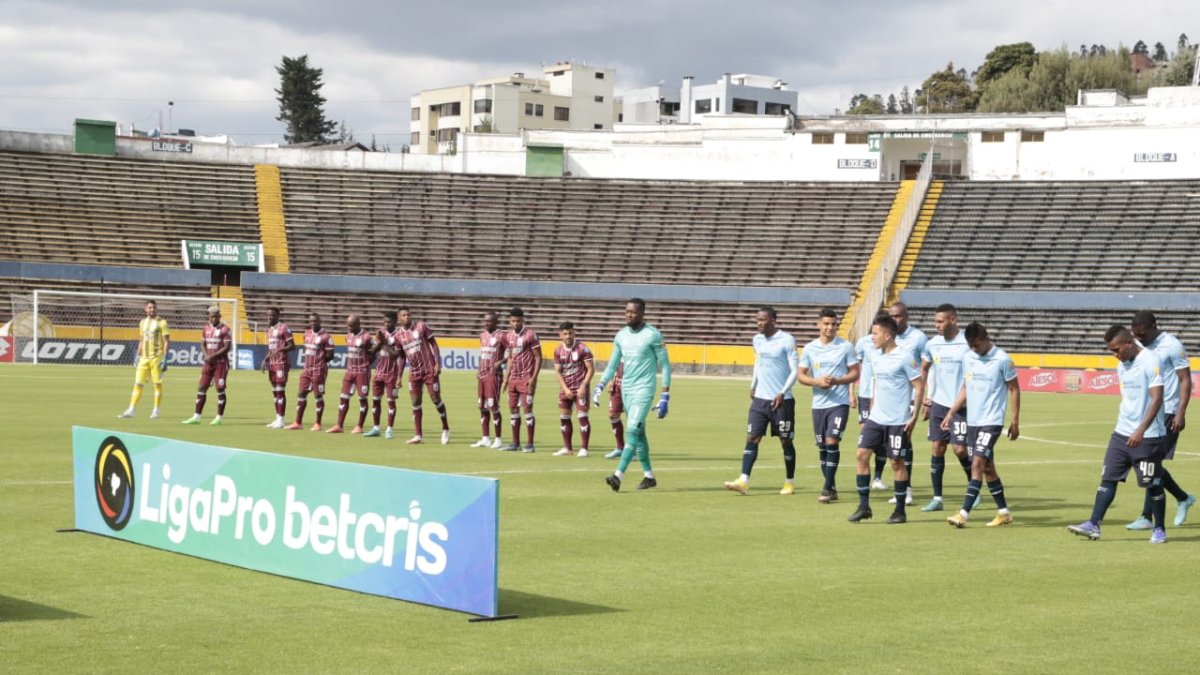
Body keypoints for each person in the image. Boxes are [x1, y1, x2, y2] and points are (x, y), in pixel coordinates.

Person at [1068, 325, 1169, 543]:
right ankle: (1093, 524)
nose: (1115, 355)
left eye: (1117, 350)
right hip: (1121, 432)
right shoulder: (1122, 365)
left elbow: (1157, 398)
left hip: (1148, 435)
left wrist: (1141, 429)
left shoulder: (1151, 361)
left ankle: (1159, 529)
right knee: (1108, 478)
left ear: (1129, 343)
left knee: (1152, 484)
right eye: (1111, 351)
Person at [848, 315, 924, 524]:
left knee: (896, 462)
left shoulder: (905, 357)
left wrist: (914, 416)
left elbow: (918, 386)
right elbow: (875, 383)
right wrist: (872, 406)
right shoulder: (875, 355)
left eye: (875, 333)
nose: (872, 337)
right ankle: (864, 506)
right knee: (861, 455)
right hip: (876, 419)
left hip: (898, 421)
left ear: (888, 335)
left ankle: (900, 511)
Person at [943, 322, 1020, 528]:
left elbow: (1014, 389)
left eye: (977, 345)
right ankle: (1004, 513)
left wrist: (1014, 421)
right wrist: (951, 413)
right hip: (973, 422)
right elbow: (966, 388)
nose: (974, 350)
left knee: (976, 464)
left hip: (991, 422)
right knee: (988, 469)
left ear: (986, 338)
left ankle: (963, 514)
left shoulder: (1002, 360)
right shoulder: (968, 358)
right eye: (971, 346)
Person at [1127, 311, 1196, 529]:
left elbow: (1185, 380)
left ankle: (1147, 517)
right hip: (1147, 411)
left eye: (1143, 334)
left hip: (1168, 411)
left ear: (1154, 326)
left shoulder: (1172, 345)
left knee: (1151, 462)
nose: (1141, 338)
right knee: (1150, 462)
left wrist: (1180, 412)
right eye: (1136, 335)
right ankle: (1183, 498)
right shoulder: (1139, 346)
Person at [594, 298, 671, 492]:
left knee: (631, 432)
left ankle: (618, 475)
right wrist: (600, 386)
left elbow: (666, 366)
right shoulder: (621, 336)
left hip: (644, 390)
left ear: (642, 313)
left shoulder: (653, 335)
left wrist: (665, 396)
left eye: (633, 312)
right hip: (626, 390)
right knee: (639, 433)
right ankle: (649, 476)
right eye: (627, 311)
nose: (629, 315)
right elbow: (612, 365)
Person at [724, 306, 803, 496]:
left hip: (783, 401)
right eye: (757, 320)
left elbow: (795, 370)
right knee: (752, 438)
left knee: (785, 441)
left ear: (773, 320)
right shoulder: (757, 339)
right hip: (760, 400)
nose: (759, 323)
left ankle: (789, 482)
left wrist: (782, 392)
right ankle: (743, 480)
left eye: (763, 320)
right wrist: (753, 384)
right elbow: (758, 364)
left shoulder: (786, 340)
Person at [795, 308, 859, 501]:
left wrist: (837, 381)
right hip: (818, 405)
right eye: (826, 324)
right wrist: (817, 382)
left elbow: (855, 373)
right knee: (822, 446)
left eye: (833, 324)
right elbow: (800, 376)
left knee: (832, 441)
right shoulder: (809, 348)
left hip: (839, 403)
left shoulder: (845, 347)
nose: (830, 327)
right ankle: (831, 487)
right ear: (818, 325)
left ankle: (826, 488)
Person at [919, 303, 974, 512]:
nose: (937, 325)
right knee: (937, 448)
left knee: (959, 449)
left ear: (953, 319)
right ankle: (937, 498)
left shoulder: (967, 343)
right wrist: (926, 396)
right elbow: (924, 368)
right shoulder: (933, 344)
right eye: (936, 322)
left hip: (961, 405)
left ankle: (973, 488)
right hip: (939, 404)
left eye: (941, 321)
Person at [887, 302, 928, 506]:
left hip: (911, 396)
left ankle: (906, 489)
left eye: (899, 316)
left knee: (904, 439)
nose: (895, 320)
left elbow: (928, 366)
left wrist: (927, 396)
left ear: (906, 316)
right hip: (891, 399)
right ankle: (900, 487)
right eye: (892, 316)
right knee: (893, 443)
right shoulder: (886, 337)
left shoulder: (918, 338)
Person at [395, 307, 450, 445]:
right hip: (414, 373)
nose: (407, 317)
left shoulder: (420, 326)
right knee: (415, 403)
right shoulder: (398, 336)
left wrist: (438, 362)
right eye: (403, 315)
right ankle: (418, 435)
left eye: (408, 314)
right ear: (399, 318)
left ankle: (445, 429)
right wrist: (398, 377)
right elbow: (401, 357)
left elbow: (434, 344)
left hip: (429, 370)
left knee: (435, 399)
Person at [851, 319, 887, 491]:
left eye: (876, 332)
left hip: (882, 396)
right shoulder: (863, 343)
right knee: (867, 434)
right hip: (865, 395)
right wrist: (852, 391)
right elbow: (855, 369)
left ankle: (878, 477)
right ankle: (867, 474)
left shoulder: (889, 346)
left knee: (882, 439)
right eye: (872, 331)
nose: (873, 335)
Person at [119, 299, 170, 419]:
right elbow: (141, 340)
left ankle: (156, 410)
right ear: (145, 309)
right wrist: (137, 355)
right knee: (138, 384)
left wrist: (165, 358)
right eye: (150, 308)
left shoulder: (162, 322)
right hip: (144, 358)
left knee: (157, 384)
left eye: (154, 307)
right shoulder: (142, 323)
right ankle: (131, 409)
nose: (152, 310)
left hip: (156, 358)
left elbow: (167, 341)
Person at [552, 321, 595, 456]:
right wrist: (565, 389)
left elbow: (591, 369)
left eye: (570, 333)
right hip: (566, 389)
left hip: (580, 389)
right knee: (564, 417)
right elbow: (558, 371)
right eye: (565, 334)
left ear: (574, 332)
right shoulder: (558, 350)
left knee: (582, 416)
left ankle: (584, 449)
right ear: (560, 335)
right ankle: (567, 448)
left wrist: (583, 386)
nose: (568, 336)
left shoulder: (583, 348)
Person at [182, 306, 231, 425]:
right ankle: (196, 417)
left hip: (221, 364)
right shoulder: (205, 328)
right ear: (209, 317)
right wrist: (206, 355)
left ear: (220, 316)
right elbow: (202, 343)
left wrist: (212, 356)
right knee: (201, 388)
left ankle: (219, 417)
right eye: (212, 316)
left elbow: (227, 347)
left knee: (220, 389)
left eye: (216, 316)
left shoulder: (225, 329)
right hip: (208, 364)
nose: (214, 318)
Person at [501, 308, 542, 452]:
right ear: (509, 321)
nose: (515, 323)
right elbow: (511, 358)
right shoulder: (508, 336)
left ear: (522, 320)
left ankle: (530, 444)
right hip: (513, 378)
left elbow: (538, 357)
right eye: (513, 321)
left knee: (527, 409)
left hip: (526, 378)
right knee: (513, 409)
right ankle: (515, 443)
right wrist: (506, 379)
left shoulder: (530, 335)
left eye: (518, 321)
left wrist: (533, 377)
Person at [286, 312, 335, 431]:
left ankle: (318, 423)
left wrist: (320, 362)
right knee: (301, 394)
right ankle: (298, 422)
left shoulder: (326, 336)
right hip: (306, 370)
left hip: (318, 370)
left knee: (318, 395)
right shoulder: (306, 334)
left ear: (320, 321)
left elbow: (330, 355)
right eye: (311, 321)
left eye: (315, 321)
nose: (313, 323)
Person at [327, 314, 373, 434]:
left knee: (362, 399)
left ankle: (359, 426)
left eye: (351, 326)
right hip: (350, 371)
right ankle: (339, 425)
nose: (349, 328)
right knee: (343, 397)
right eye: (348, 326)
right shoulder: (348, 336)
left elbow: (373, 353)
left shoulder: (366, 337)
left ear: (358, 324)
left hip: (362, 372)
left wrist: (366, 365)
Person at [364, 311, 407, 439]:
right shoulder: (381, 332)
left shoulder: (399, 335)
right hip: (379, 372)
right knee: (375, 401)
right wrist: (376, 345)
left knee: (391, 402)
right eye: (385, 322)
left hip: (392, 374)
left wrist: (384, 343)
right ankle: (376, 428)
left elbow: (395, 355)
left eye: (389, 322)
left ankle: (389, 429)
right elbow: (373, 351)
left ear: (395, 322)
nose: (386, 324)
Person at [471, 311, 508, 449]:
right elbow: (483, 354)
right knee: (482, 406)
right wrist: (479, 369)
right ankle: (485, 438)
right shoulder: (482, 335)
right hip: (482, 374)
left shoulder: (502, 336)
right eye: (485, 321)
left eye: (489, 321)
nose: (486, 323)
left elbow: (511, 353)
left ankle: (498, 439)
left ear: (495, 321)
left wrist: (501, 361)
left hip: (494, 375)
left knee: (493, 406)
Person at [261, 307, 295, 429]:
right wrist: (266, 359)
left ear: (277, 316)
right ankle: (277, 418)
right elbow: (271, 349)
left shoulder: (284, 328)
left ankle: (281, 419)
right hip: (272, 363)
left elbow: (292, 346)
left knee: (280, 390)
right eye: (268, 315)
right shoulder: (269, 330)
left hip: (282, 362)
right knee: (275, 391)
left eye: (272, 315)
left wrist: (280, 349)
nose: (269, 317)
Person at [603, 364, 627, 459]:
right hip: (617, 386)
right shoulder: (619, 349)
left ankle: (634, 450)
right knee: (613, 415)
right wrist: (610, 380)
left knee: (633, 419)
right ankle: (620, 447)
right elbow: (613, 364)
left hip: (631, 387)